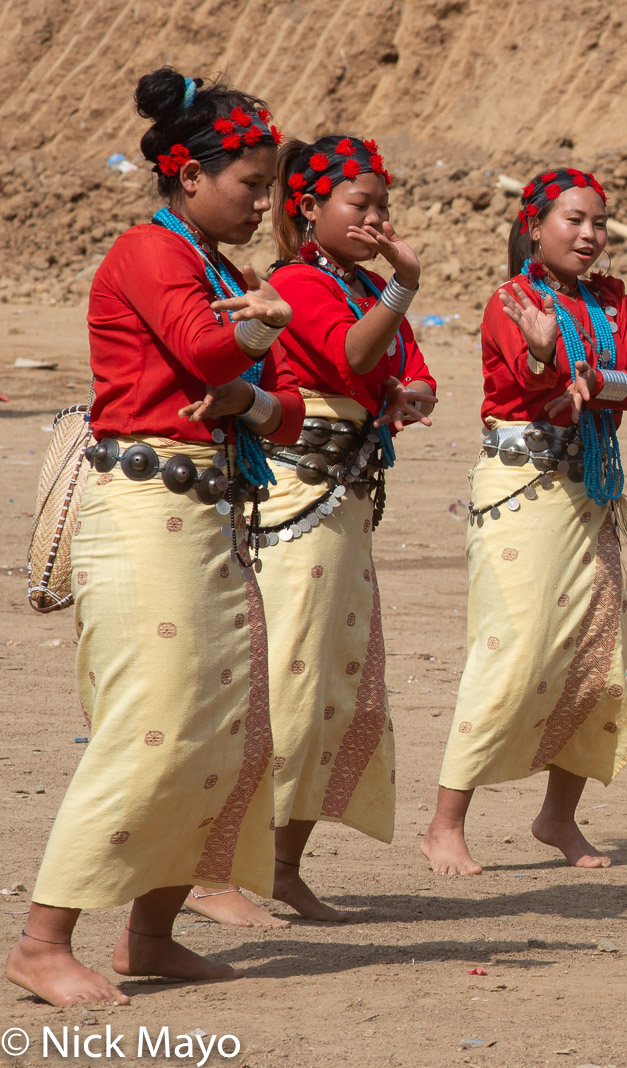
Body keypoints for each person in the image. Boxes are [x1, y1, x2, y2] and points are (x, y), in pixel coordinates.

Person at [4, 67, 301, 1005]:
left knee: (215, 729)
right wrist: (253, 347)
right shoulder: (148, 251)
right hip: (144, 517)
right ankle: (42, 941)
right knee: (150, 726)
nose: (265, 203)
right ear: (187, 177)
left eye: (269, 187)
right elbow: (211, 353)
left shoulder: (222, 271)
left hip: (202, 516)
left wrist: (252, 378)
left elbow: (283, 412)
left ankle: (151, 933)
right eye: (249, 185)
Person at [179, 132, 438, 926]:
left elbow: (407, 367)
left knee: (334, 688)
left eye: (383, 207)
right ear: (309, 207)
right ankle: (212, 869)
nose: (375, 219)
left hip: (350, 505)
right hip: (302, 502)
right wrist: (407, 286)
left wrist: (413, 392)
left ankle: (285, 865)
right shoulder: (298, 281)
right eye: (360, 205)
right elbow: (357, 355)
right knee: (282, 680)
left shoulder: (359, 285)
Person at [421, 168, 627, 873]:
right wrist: (545, 354)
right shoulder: (510, 300)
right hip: (524, 490)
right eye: (575, 221)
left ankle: (558, 816)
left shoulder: (613, 301)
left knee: (596, 652)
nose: (590, 235)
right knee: (512, 649)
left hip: (589, 490)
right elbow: (531, 386)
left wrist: (600, 381)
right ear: (534, 226)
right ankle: (445, 822)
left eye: (600, 223)